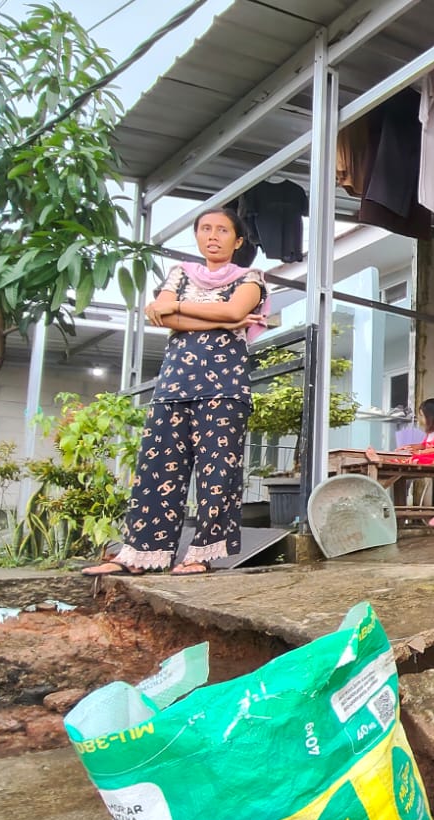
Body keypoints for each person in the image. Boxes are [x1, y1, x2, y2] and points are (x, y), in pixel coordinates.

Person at [83, 209, 268, 577]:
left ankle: (200, 555)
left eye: (222, 230)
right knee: (154, 469)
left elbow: (234, 308)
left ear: (238, 240)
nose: (212, 236)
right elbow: (160, 316)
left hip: (223, 387)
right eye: (205, 229)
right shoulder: (179, 273)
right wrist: (221, 318)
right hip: (173, 384)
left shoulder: (251, 278)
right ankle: (140, 554)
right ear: (197, 236)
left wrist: (182, 307)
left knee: (217, 472)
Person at [399, 398, 434, 465]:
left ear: (430, 416)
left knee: (416, 458)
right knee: (409, 457)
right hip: (433, 455)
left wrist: (419, 452)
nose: (421, 419)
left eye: (422, 416)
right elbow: (423, 445)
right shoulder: (432, 431)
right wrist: (408, 447)